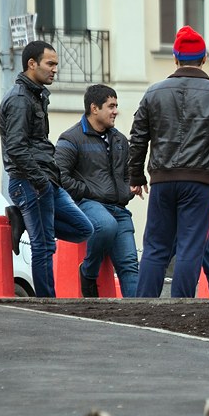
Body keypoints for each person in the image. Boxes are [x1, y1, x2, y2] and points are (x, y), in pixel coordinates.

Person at [128, 25, 209, 298]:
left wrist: (136, 176)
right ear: (204, 59)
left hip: (162, 180)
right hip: (201, 181)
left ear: (175, 58)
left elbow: (138, 136)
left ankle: (144, 304)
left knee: (155, 247)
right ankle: (181, 304)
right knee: (191, 247)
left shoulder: (153, 92)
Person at [0, 40, 94, 298]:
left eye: (56, 64)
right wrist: (40, 180)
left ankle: (22, 219)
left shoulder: (37, 95)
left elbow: (37, 143)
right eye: (50, 64)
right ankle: (47, 303)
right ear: (32, 64)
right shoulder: (20, 99)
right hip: (30, 181)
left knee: (83, 228)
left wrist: (48, 179)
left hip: (46, 180)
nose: (55, 69)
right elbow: (16, 147)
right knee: (43, 246)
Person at [56, 84, 139, 298]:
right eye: (111, 106)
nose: (115, 111)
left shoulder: (120, 140)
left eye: (116, 106)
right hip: (88, 204)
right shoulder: (71, 138)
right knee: (106, 225)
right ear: (94, 108)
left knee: (130, 264)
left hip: (119, 208)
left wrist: (127, 190)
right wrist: (88, 191)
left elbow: (128, 172)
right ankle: (88, 272)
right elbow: (59, 176)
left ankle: (138, 312)